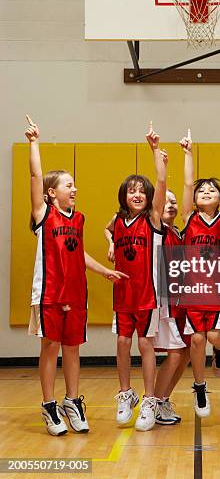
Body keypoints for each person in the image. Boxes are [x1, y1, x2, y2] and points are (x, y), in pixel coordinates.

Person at [25, 115, 126, 437]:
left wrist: (104, 270)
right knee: (50, 348)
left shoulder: (79, 218)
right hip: (49, 294)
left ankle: (72, 401)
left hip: (75, 295)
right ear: (52, 193)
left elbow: (78, 254)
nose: (75, 188)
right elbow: (35, 174)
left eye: (74, 184)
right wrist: (34, 143)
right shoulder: (44, 215)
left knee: (72, 350)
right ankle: (49, 405)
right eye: (69, 185)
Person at [104, 122, 167, 431]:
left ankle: (150, 399)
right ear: (124, 196)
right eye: (132, 190)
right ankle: (125, 393)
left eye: (142, 191)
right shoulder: (117, 220)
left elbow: (161, 179)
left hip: (148, 295)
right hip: (123, 295)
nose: (138, 194)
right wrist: (110, 245)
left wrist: (155, 150)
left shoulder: (152, 220)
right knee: (120, 341)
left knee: (145, 345)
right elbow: (106, 229)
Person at [180, 129, 220, 418]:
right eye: (202, 190)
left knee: (213, 336)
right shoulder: (190, 217)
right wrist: (188, 153)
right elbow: (188, 184)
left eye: (211, 190)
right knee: (197, 339)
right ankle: (200, 386)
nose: (205, 192)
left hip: (217, 290)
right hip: (192, 289)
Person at [153, 190, 190, 425]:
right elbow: (111, 225)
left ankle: (164, 399)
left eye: (173, 201)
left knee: (185, 355)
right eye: (165, 201)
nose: (170, 205)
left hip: (182, 300)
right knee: (175, 354)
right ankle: (155, 403)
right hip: (164, 301)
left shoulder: (178, 232)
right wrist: (111, 244)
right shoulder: (154, 227)